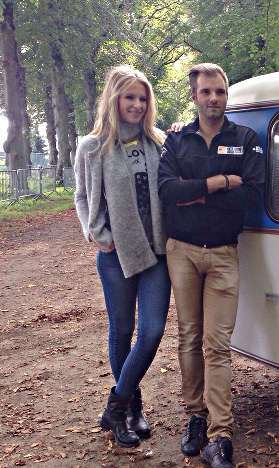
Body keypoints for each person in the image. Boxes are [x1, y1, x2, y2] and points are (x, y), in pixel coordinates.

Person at [157, 63, 264, 468]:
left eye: (219, 91)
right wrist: (220, 183)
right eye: (206, 92)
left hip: (222, 253)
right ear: (194, 96)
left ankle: (221, 436)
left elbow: (252, 195)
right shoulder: (177, 141)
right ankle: (195, 417)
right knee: (188, 337)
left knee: (217, 346)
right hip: (181, 251)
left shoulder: (245, 138)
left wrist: (194, 194)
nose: (214, 98)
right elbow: (167, 191)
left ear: (226, 94)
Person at [74, 65, 171, 448]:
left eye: (142, 98)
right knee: (122, 331)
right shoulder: (93, 146)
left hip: (158, 251)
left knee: (151, 332)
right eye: (129, 97)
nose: (136, 104)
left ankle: (115, 406)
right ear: (114, 99)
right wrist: (97, 234)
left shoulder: (159, 142)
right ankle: (132, 409)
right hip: (116, 255)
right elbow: (82, 196)